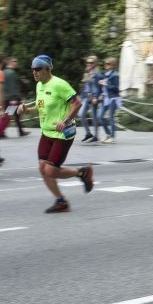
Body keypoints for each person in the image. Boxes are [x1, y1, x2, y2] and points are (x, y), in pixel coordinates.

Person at [16, 55, 94, 213]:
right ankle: (61, 201)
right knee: (42, 168)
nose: (34, 72)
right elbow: (41, 106)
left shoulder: (59, 84)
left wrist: (64, 121)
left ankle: (82, 173)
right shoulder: (39, 86)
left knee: (50, 170)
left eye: (38, 69)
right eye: (32, 69)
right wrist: (27, 110)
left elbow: (77, 103)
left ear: (48, 69)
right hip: (47, 133)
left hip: (62, 133)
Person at [0, 57, 29, 138]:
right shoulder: (11, 73)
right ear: (9, 62)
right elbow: (12, 87)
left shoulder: (4, 72)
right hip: (12, 99)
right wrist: (13, 99)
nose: (16, 63)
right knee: (8, 116)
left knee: (15, 116)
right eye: (15, 61)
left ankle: (20, 131)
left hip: (7, 98)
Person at [97, 57, 120, 143]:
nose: (105, 65)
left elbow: (116, 89)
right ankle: (108, 134)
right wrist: (102, 93)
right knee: (100, 117)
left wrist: (106, 84)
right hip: (105, 99)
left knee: (111, 118)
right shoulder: (106, 74)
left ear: (112, 65)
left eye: (108, 64)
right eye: (105, 63)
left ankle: (112, 137)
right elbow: (104, 89)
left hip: (113, 99)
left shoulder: (115, 75)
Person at [79, 55, 102, 143]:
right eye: (88, 62)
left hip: (94, 98)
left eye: (91, 62)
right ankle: (88, 133)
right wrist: (81, 97)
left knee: (94, 117)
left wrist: (98, 97)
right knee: (81, 114)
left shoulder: (98, 74)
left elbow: (101, 86)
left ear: (95, 64)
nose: (89, 64)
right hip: (86, 97)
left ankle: (96, 136)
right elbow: (85, 86)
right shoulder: (87, 73)